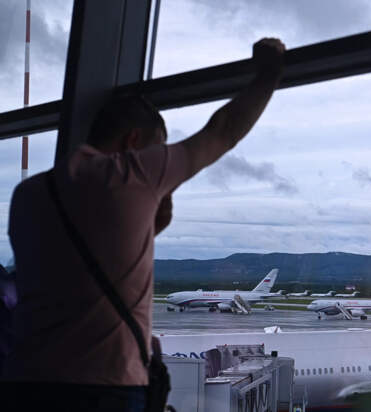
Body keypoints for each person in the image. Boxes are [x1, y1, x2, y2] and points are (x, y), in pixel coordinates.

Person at [2, 37, 285, 411]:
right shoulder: (133, 173)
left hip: (24, 380)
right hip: (104, 384)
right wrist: (269, 74)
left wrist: (149, 225)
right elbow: (223, 130)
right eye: (157, 149)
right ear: (133, 141)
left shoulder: (27, 194)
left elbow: (72, 264)